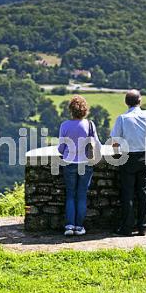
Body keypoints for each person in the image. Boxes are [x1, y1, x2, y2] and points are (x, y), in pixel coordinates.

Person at [110, 90, 146, 236]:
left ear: (126, 102)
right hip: (145, 156)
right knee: (143, 192)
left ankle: (127, 228)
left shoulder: (122, 119)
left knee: (128, 193)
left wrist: (117, 151)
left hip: (128, 158)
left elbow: (115, 142)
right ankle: (143, 227)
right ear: (140, 101)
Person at [57, 95, 101, 236]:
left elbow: (61, 148)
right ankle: (79, 227)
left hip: (69, 162)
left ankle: (69, 226)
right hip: (86, 163)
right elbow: (97, 144)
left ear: (71, 110)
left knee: (70, 195)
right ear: (85, 110)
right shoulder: (90, 125)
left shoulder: (64, 125)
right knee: (81, 195)